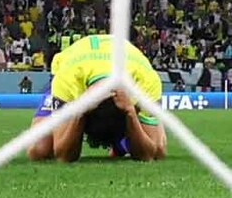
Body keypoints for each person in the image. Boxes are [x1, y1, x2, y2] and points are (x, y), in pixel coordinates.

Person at [27, 35, 166, 162]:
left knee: (158, 149)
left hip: (128, 67)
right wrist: (80, 111)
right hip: (71, 68)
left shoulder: (146, 82)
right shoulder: (67, 81)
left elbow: (150, 154)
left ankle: (121, 143)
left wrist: (130, 112)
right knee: (39, 150)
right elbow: (63, 155)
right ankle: (122, 143)